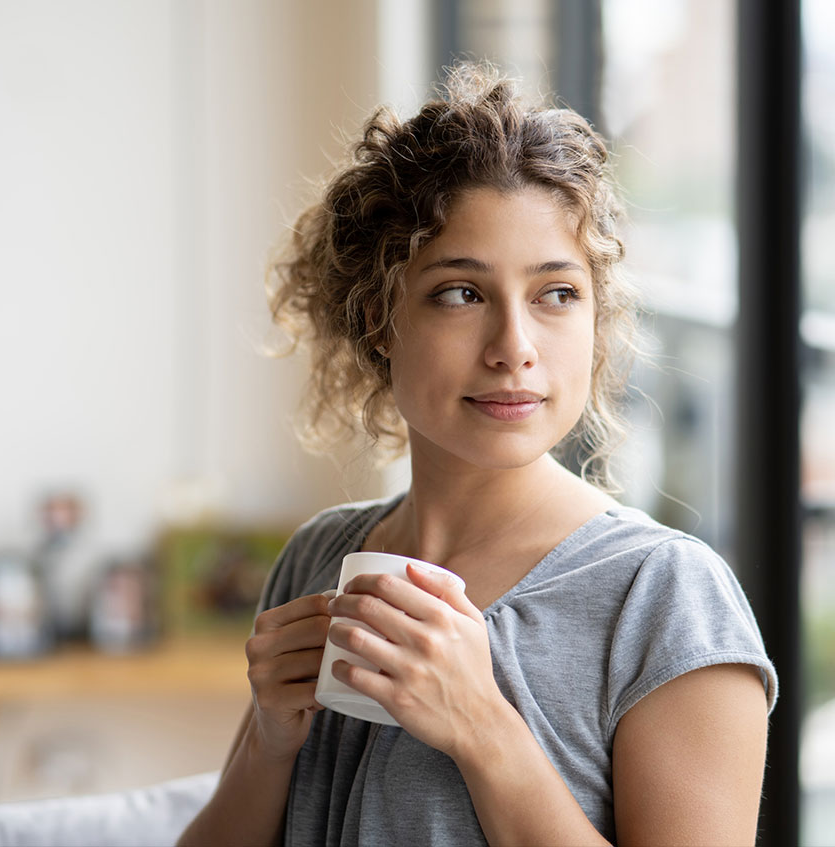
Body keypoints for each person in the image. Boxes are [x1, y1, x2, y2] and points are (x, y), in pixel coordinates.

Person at [178, 62, 776, 846]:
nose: (514, 349)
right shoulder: (319, 558)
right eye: (461, 292)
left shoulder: (665, 600)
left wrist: (484, 728)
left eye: (557, 293)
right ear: (378, 320)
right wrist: (268, 743)